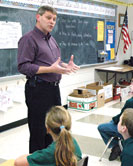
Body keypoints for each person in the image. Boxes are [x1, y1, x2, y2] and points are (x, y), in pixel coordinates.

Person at [17, 5, 80, 153]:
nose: (52, 22)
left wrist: (65, 65)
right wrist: (51, 69)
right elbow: (23, 66)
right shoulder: (28, 39)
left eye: (54, 19)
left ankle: (51, 158)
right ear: (38, 17)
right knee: (39, 131)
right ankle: (37, 160)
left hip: (53, 89)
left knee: (56, 127)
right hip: (38, 90)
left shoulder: (52, 40)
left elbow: (52, 61)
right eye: (48, 18)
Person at [98, 76, 133, 161]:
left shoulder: (131, 102)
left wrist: (114, 119)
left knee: (101, 127)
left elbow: (121, 117)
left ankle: (116, 146)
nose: (130, 85)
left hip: (127, 128)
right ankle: (119, 145)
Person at [14, 106, 82, 166]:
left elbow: (18, 162)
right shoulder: (73, 142)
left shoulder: (50, 152)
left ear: (47, 128)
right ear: (69, 125)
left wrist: (33, 155)